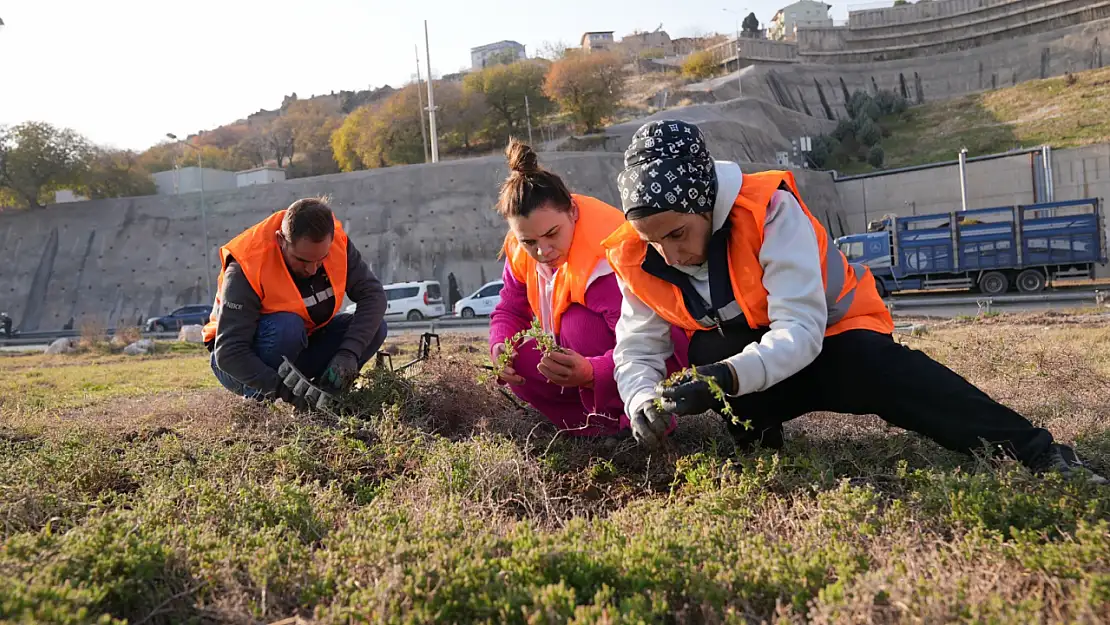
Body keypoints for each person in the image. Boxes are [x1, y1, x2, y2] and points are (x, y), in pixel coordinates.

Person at [605, 119, 1105, 483]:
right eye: (654, 241)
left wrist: (724, 380)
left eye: (677, 233)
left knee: (890, 374)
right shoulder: (635, 255)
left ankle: (1037, 453)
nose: (670, 253)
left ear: (705, 203)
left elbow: (801, 329)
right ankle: (762, 449)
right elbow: (637, 348)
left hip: (838, 340)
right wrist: (641, 399)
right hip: (764, 362)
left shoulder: (771, 212)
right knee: (706, 353)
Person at [489, 139, 690, 437]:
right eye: (529, 242)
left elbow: (657, 343)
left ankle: (633, 417)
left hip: (661, 356)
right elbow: (508, 308)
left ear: (572, 211)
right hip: (581, 364)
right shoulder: (521, 251)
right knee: (518, 354)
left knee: (577, 325)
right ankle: (586, 426)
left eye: (552, 234)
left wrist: (592, 372)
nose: (543, 251)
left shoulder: (609, 257)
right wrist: (499, 345)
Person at [203, 197, 388, 407]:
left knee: (375, 327)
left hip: (303, 346)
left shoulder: (337, 242)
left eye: (321, 259)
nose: (312, 269)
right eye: (302, 260)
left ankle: (324, 401)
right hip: (240, 365)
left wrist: (348, 353)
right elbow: (229, 353)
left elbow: (373, 296)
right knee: (287, 327)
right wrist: (287, 394)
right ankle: (260, 404)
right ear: (281, 240)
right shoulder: (247, 265)